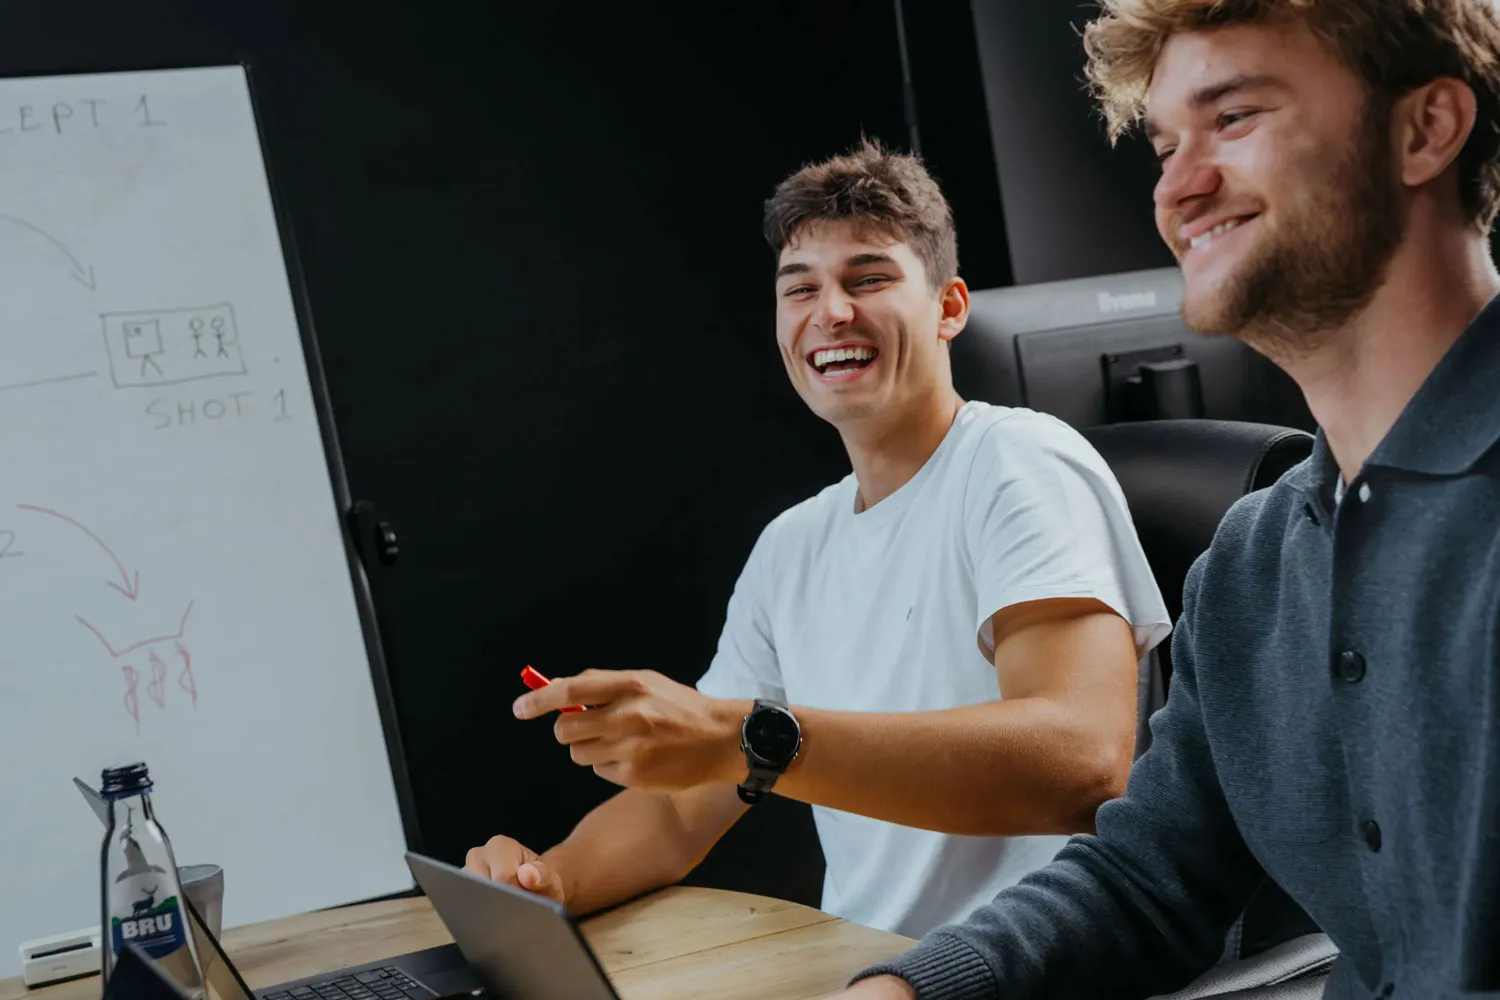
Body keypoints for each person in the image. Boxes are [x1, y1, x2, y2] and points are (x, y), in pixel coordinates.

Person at [835, 1, 1500, 997]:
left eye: (1234, 120)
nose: (1179, 189)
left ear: (1426, 129)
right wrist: (908, 990)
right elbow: (1150, 877)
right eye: (1164, 144)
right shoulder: (1258, 558)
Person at [464, 141, 1171, 939]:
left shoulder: (1018, 463)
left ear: (949, 308)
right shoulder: (791, 546)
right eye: (799, 288)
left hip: (1028, 964)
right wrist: (548, 882)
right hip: (869, 972)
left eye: (868, 279)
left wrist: (748, 738)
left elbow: (1080, 763)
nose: (829, 312)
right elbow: (679, 812)